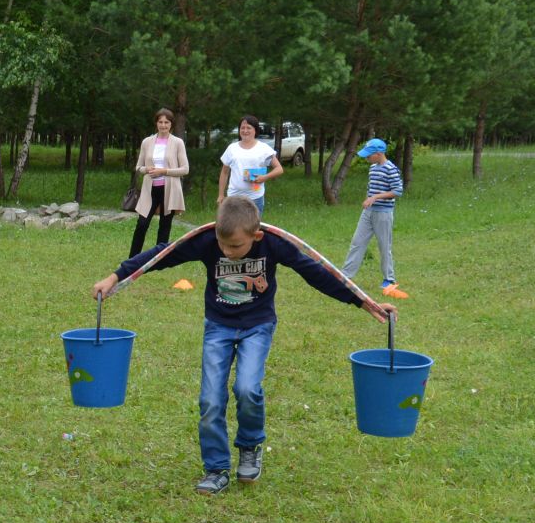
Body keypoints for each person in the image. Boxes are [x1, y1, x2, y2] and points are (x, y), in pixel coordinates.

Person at [92, 195, 394, 495]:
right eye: (223, 245)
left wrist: (362, 302)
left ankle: (249, 446)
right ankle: (216, 468)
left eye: (236, 246)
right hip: (218, 327)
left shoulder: (273, 243)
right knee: (210, 399)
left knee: (247, 388)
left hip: (257, 326)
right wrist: (116, 276)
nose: (227, 251)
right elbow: (163, 254)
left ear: (256, 235)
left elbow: (314, 271)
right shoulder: (209, 240)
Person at [341, 137, 408, 299]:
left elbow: (398, 191)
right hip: (368, 213)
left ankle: (389, 279)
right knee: (357, 243)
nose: (366, 158)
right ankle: (345, 276)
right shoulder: (372, 168)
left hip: (383, 214)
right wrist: (369, 198)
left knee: (384, 246)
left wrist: (375, 197)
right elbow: (370, 188)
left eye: (369, 155)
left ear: (379, 154)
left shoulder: (390, 169)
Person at [128, 108, 189, 256]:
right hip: (150, 189)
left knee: (165, 225)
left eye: (166, 122)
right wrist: (146, 169)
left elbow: (185, 169)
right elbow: (138, 167)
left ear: (171, 124)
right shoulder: (147, 142)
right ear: (156, 123)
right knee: (142, 224)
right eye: (160, 122)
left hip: (169, 190)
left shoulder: (177, 142)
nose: (163, 125)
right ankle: (133, 258)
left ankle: (159, 258)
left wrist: (164, 171)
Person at [218, 116, 283, 215]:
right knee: (234, 229)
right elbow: (224, 172)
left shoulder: (263, 148)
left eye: (249, 128)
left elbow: (279, 169)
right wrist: (221, 195)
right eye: (242, 128)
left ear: (255, 130)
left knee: (253, 229)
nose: (245, 131)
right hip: (233, 198)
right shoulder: (232, 148)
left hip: (255, 198)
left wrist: (264, 177)